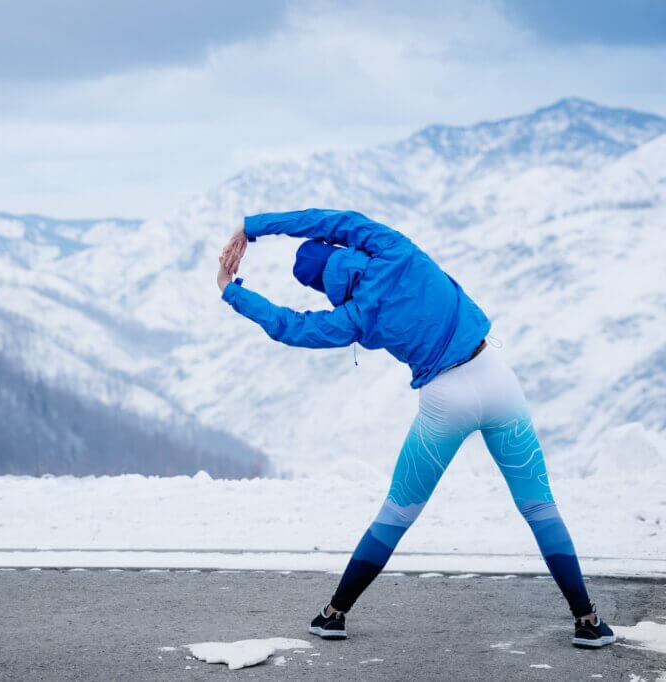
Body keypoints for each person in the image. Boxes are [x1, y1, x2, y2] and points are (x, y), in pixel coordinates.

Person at [216, 208, 615, 649]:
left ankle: (334, 615)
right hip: (497, 378)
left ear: (320, 287)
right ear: (340, 247)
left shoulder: (355, 317)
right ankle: (588, 620)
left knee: (398, 512)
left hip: (445, 403)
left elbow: (289, 326)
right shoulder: (391, 247)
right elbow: (330, 219)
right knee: (539, 507)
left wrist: (230, 293)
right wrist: (252, 227)